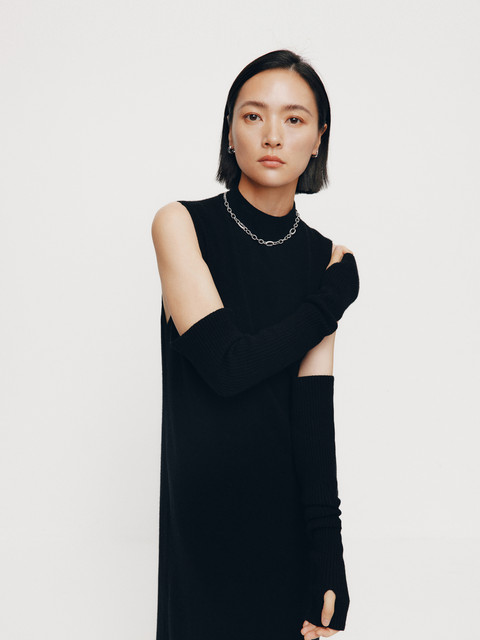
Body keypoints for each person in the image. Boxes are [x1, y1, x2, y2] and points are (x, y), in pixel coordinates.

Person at [151, 49, 359, 640]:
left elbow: (313, 414)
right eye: (253, 116)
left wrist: (328, 553)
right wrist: (328, 303)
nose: (272, 135)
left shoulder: (323, 260)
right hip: (203, 530)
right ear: (229, 131)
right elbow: (227, 366)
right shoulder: (181, 224)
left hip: (287, 530)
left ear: (318, 140)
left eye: (294, 119)